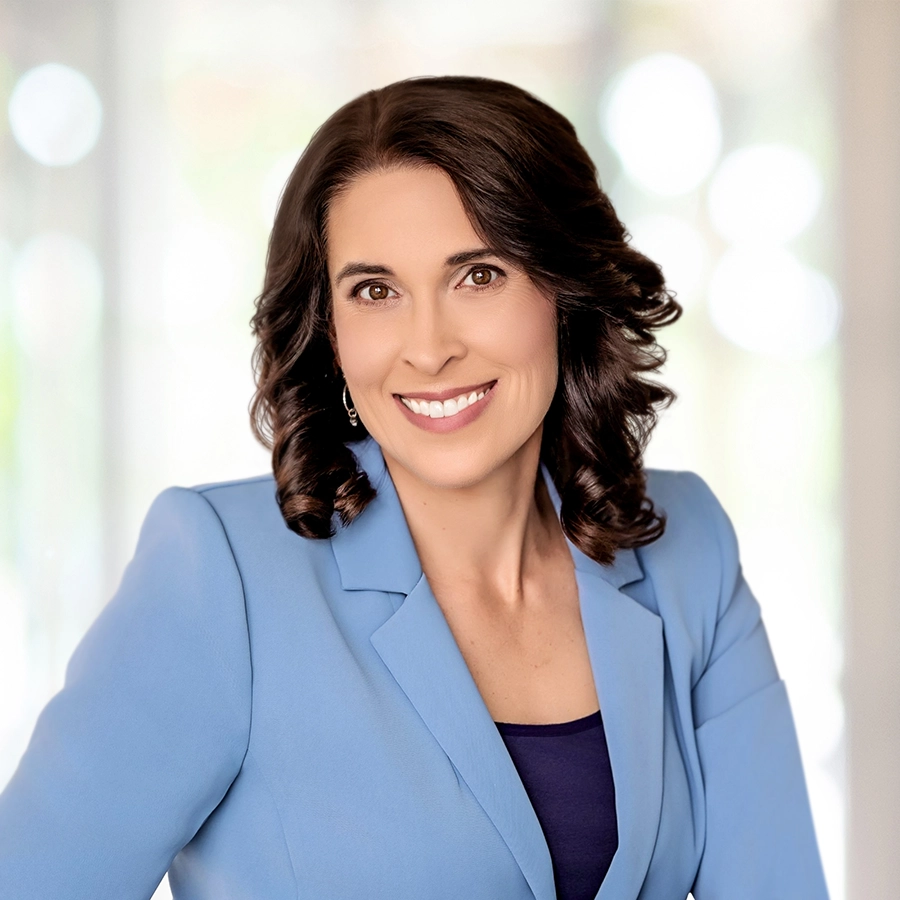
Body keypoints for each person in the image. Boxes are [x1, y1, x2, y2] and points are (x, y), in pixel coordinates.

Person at [0, 75, 828, 900]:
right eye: (376, 291)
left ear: (565, 289)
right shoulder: (223, 576)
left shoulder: (687, 547)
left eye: (479, 276)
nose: (429, 349)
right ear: (330, 329)